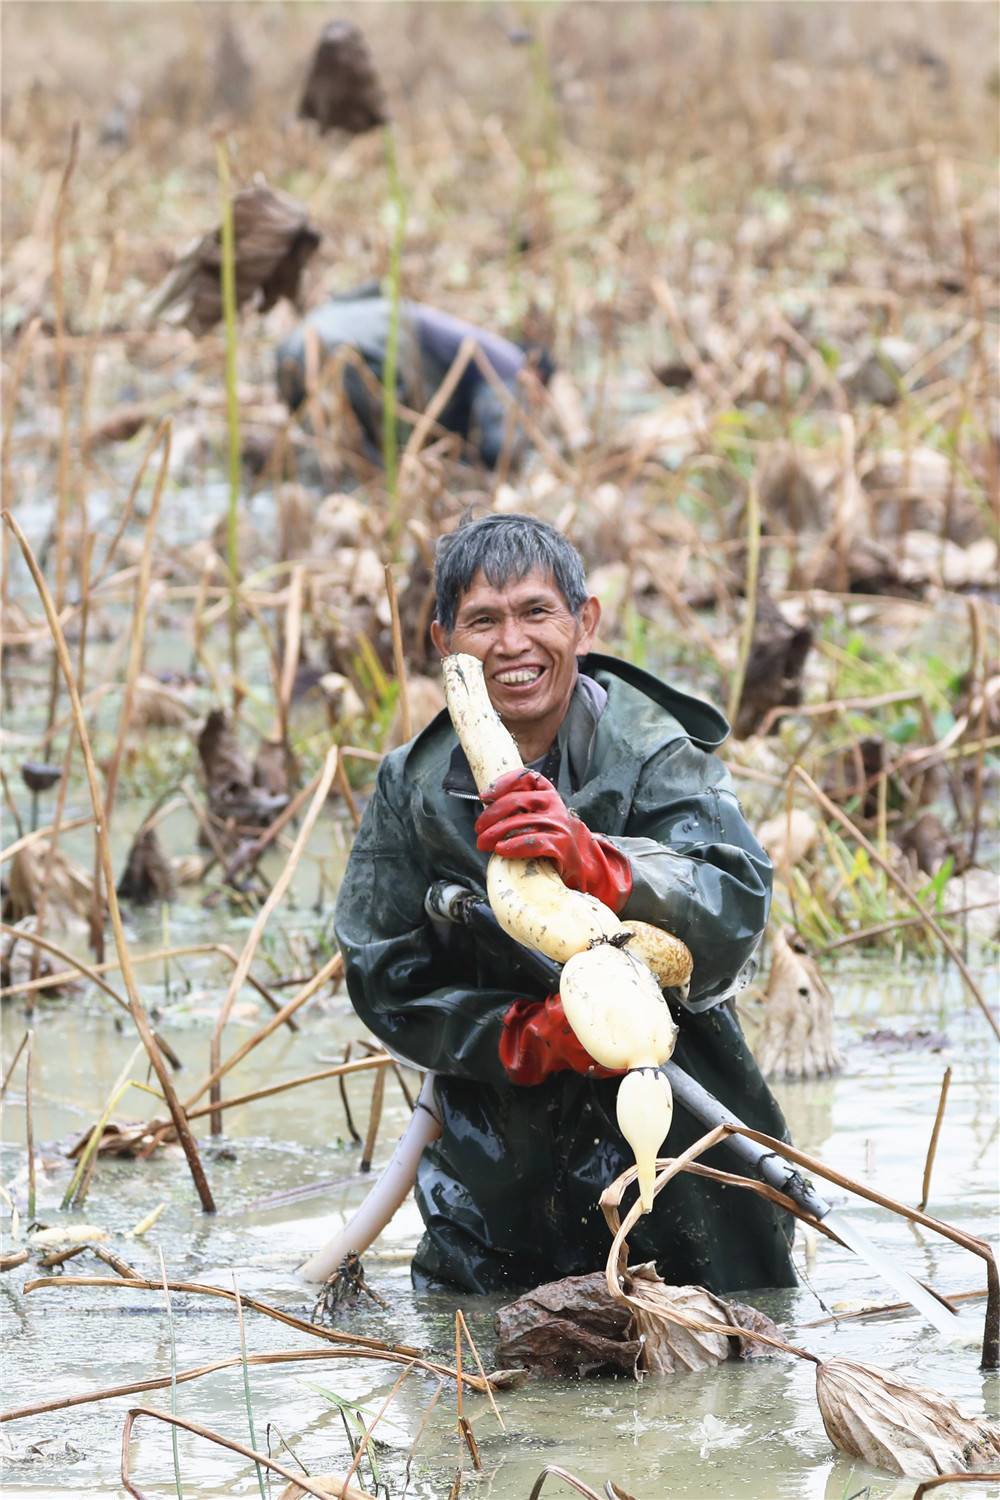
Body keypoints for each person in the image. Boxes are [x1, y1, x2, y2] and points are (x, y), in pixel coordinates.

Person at [335, 513, 796, 1295]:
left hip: (681, 1137)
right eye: (483, 621)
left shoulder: (655, 752)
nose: (512, 644)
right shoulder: (412, 786)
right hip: (494, 1163)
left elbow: (733, 905)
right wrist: (522, 1039)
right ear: (444, 643)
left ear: (584, 623)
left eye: (535, 613)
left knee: (722, 1354)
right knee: (487, 1372)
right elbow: (384, 972)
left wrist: (599, 862)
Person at [276, 285, 550, 468]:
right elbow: (499, 448)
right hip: (351, 348)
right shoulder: (510, 361)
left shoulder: (461, 336)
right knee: (383, 464)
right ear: (535, 375)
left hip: (292, 345)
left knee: (340, 460)